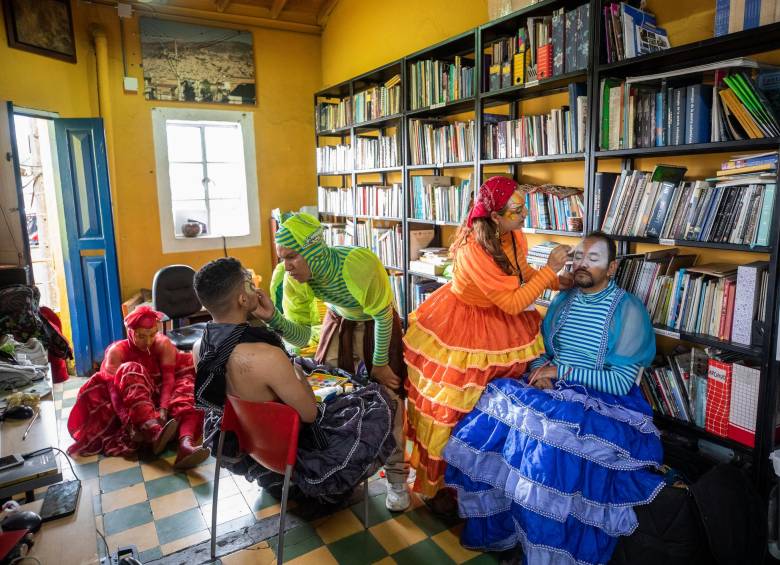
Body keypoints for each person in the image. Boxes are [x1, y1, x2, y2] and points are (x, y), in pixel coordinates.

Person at [443, 232, 665, 565]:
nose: (581, 264)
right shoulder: (565, 299)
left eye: (594, 259)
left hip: (602, 403)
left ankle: (545, 550)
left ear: (613, 267)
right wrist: (539, 372)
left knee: (548, 449)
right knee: (488, 410)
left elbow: (620, 382)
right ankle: (508, 532)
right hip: (552, 389)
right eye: (577, 256)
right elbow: (541, 352)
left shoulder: (628, 309)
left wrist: (560, 373)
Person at [402, 176, 571, 506]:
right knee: (457, 404)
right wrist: (550, 272)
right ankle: (450, 489)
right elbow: (510, 303)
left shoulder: (512, 235)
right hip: (466, 327)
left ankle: (498, 483)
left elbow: (520, 276)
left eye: (524, 208)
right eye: (518, 210)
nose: (525, 216)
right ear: (495, 216)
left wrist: (554, 281)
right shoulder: (471, 252)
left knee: (503, 405)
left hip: (504, 326)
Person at [192, 257, 395, 500]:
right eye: (249, 282)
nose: (255, 286)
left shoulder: (199, 348)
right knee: (379, 400)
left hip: (252, 442)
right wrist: (295, 370)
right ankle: (391, 487)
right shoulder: (268, 357)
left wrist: (271, 319)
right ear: (243, 299)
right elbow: (309, 413)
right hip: (290, 449)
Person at [252, 213, 411, 511]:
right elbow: (300, 338)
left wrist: (379, 364)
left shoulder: (358, 263)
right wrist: (273, 318)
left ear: (312, 250)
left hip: (378, 325)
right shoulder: (294, 280)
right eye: (282, 258)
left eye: (292, 256)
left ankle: (397, 478)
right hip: (339, 322)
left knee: (389, 400)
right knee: (334, 398)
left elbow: (381, 314)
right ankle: (345, 469)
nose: (287, 266)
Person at [67, 306, 210, 469]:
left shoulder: (162, 344)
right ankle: (153, 432)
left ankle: (186, 443)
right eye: (141, 336)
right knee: (130, 369)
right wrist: (127, 424)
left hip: (160, 391)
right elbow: (114, 393)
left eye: (152, 335)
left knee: (188, 385)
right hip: (131, 399)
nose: (148, 342)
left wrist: (163, 408)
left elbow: (169, 379)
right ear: (130, 331)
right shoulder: (117, 352)